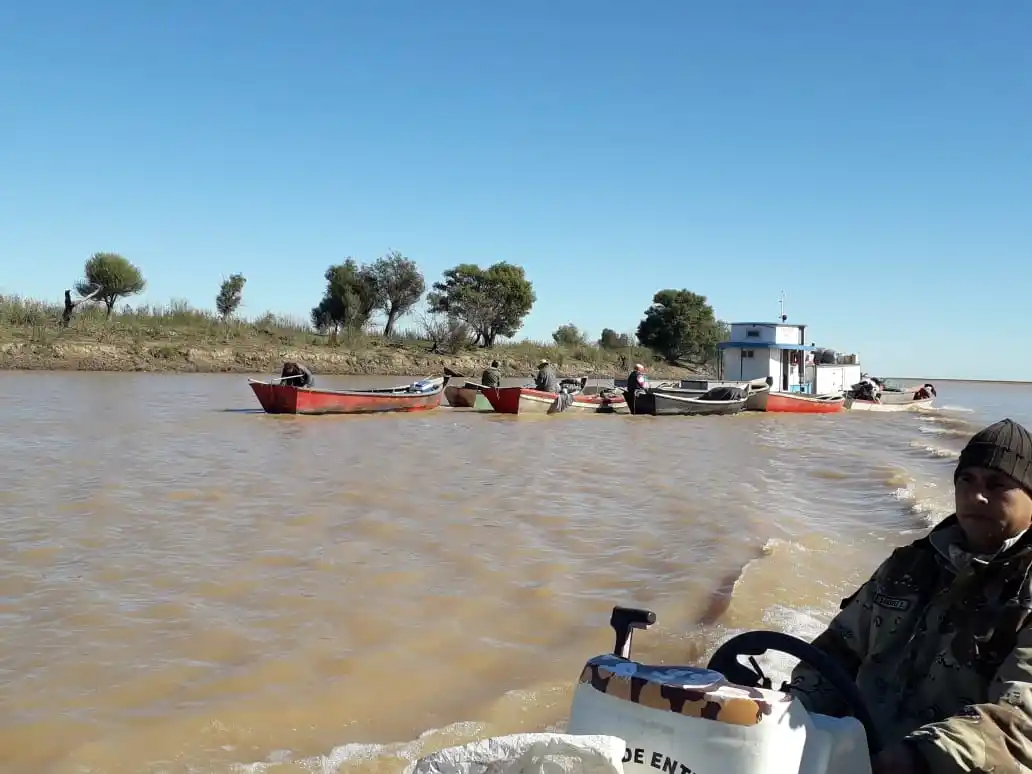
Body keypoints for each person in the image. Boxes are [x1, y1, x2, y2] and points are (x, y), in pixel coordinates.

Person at [787, 418, 1032, 773]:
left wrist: (913, 758)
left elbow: (1019, 723)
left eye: (997, 485)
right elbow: (837, 651)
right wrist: (792, 709)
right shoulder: (908, 565)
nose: (976, 496)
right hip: (853, 756)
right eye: (967, 479)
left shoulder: (1025, 589)